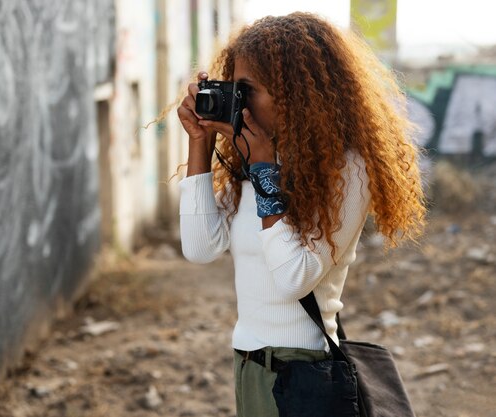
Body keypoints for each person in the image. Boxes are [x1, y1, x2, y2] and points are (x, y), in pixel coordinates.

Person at [176, 12, 426, 417]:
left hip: (305, 373)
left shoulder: (348, 169)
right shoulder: (253, 160)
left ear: (294, 93)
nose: (238, 102)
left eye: (247, 90)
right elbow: (200, 247)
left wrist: (263, 168)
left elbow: (296, 277)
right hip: (249, 365)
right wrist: (199, 144)